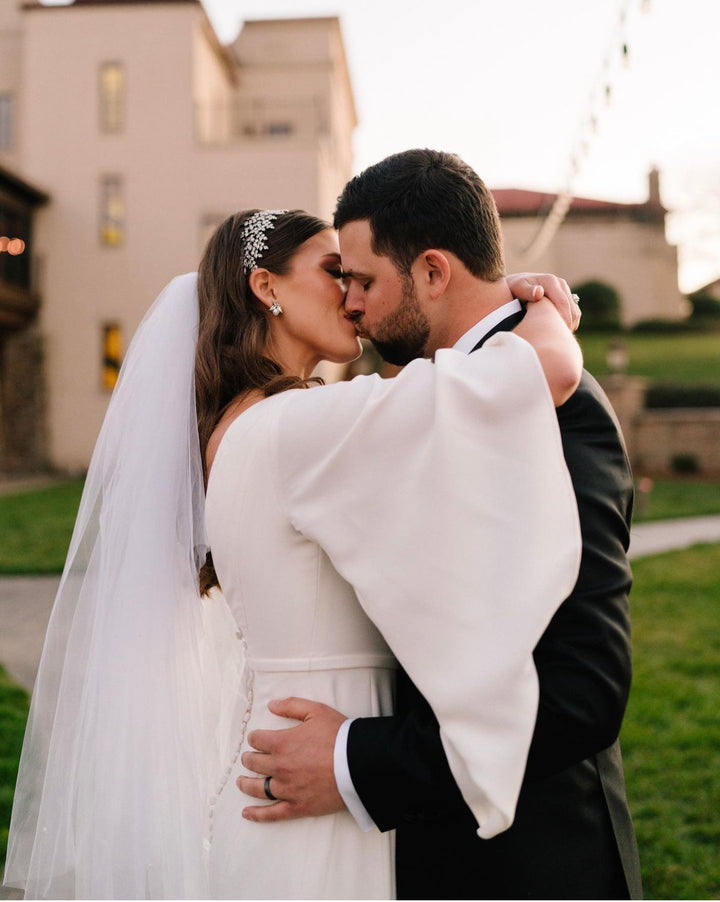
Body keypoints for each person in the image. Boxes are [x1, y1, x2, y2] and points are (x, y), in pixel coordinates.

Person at [4, 207, 582, 900]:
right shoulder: (296, 429)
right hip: (315, 772)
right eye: (334, 271)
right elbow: (545, 371)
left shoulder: (245, 427)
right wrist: (537, 301)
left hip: (280, 752)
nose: (353, 294)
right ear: (265, 287)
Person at [237, 151, 643, 901]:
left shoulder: (561, 410)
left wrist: (355, 761)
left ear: (431, 272)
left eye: (361, 280)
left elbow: (583, 690)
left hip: (535, 864)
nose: (350, 303)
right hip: (425, 856)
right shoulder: (417, 401)